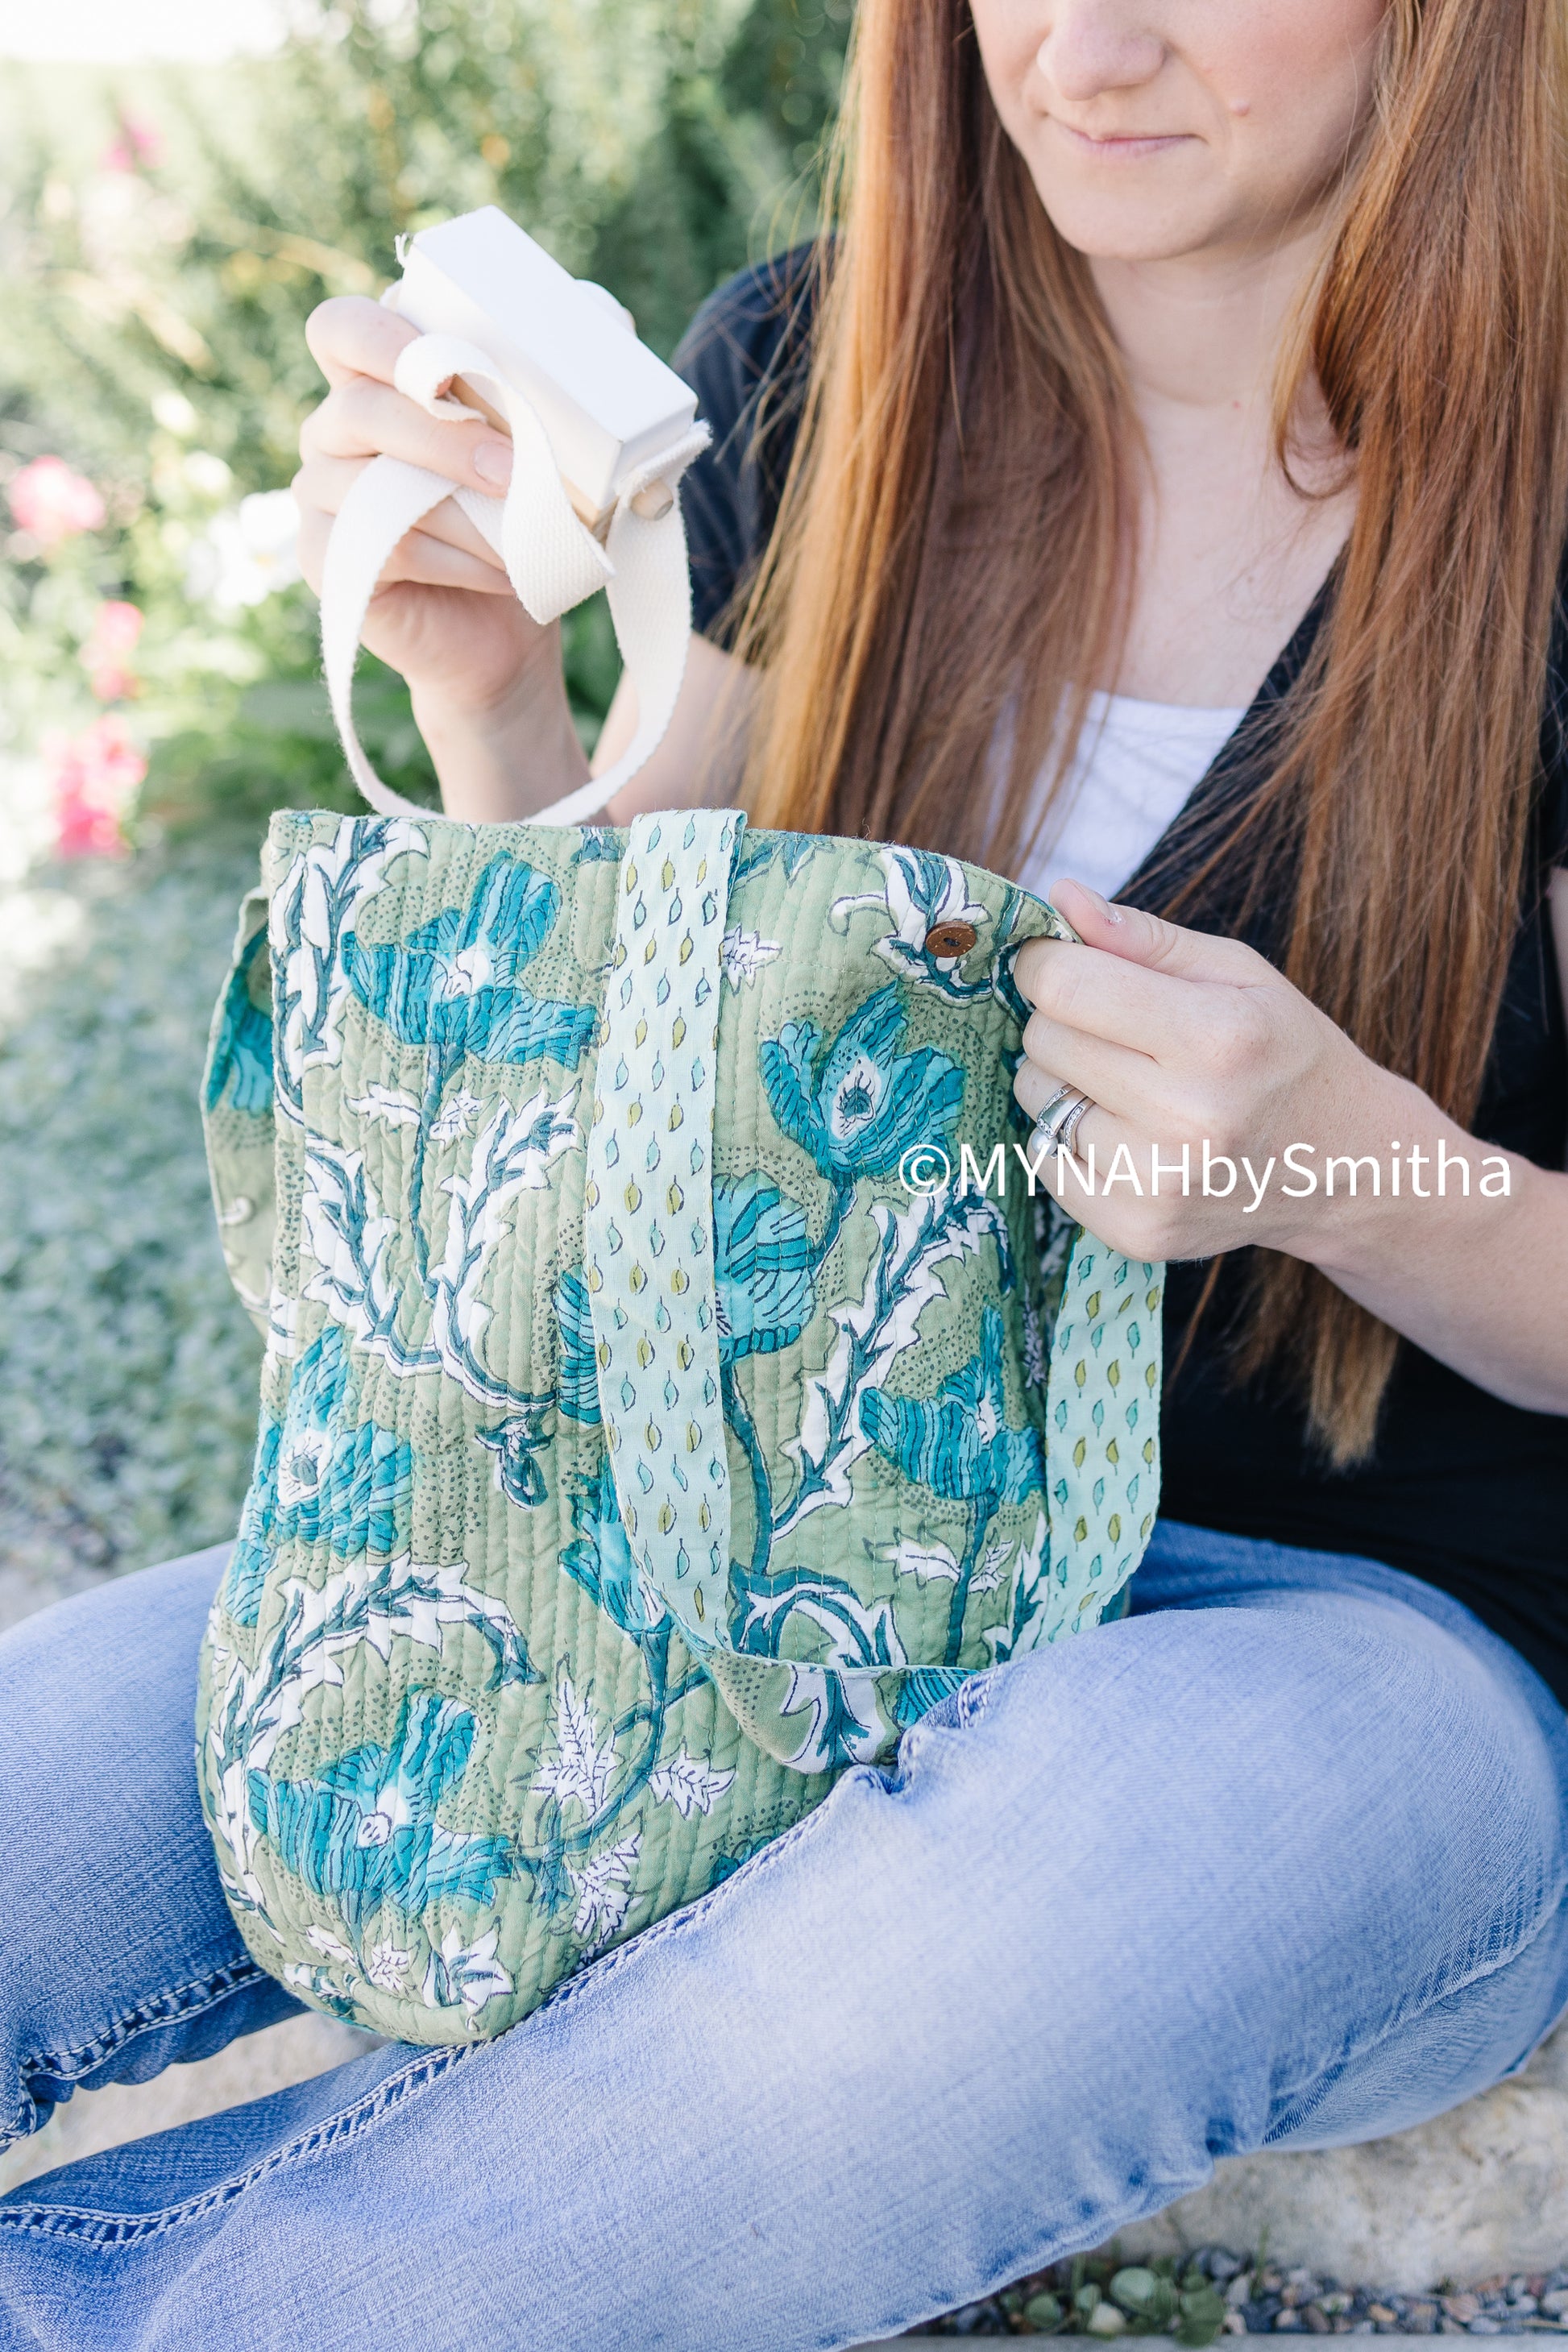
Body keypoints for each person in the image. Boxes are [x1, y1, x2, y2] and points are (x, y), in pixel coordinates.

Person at [2, 2, 1566, 2343]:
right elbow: (649, 1023)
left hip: (1366, 1651)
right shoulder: (832, 369)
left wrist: (1354, 1170)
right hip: (722, 1523)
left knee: (731, 2103)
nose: (1084, 39)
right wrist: (488, 695)